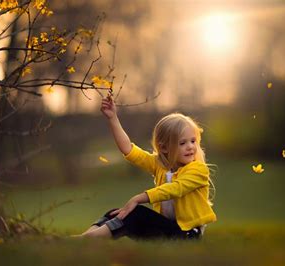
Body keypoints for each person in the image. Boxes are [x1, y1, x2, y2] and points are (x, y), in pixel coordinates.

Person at [78, 96, 217, 240]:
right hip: (167, 228)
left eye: (193, 141)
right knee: (115, 213)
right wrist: (113, 118)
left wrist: (138, 198)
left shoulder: (198, 170)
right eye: (182, 143)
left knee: (134, 213)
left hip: (187, 235)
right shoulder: (160, 165)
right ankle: (81, 239)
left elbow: (176, 189)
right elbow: (130, 151)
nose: (190, 147)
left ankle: (84, 241)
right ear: (164, 148)